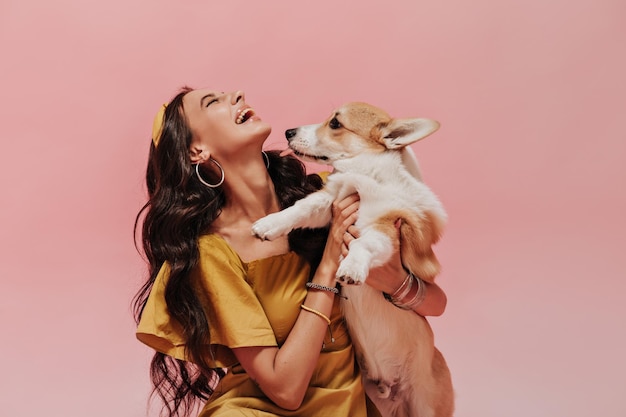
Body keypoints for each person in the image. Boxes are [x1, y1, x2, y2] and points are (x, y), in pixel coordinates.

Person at [133, 87, 448, 417]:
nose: (237, 95)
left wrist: (396, 281)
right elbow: (285, 390)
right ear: (197, 150)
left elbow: (436, 304)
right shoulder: (214, 252)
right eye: (213, 102)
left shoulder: (329, 195)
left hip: (355, 404)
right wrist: (328, 265)